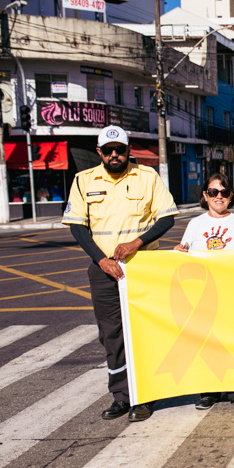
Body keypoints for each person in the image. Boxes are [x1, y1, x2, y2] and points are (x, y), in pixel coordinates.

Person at [62, 125, 178, 422]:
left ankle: (146, 395)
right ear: (99, 152)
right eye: (108, 150)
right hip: (103, 269)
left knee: (143, 332)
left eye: (121, 149)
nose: (115, 155)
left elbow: (166, 218)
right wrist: (101, 260)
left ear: (130, 150)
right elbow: (78, 227)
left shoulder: (148, 177)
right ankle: (122, 396)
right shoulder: (83, 180)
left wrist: (137, 243)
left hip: (142, 267)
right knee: (111, 334)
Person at [174, 173, 234, 411]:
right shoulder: (195, 225)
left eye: (223, 192)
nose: (219, 197)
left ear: (231, 195)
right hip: (203, 296)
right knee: (206, 342)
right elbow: (184, 255)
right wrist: (177, 254)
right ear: (205, 195)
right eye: (213, 192)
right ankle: (208, 391)